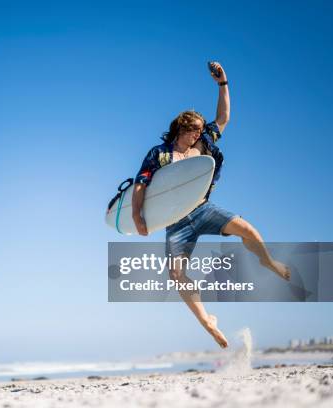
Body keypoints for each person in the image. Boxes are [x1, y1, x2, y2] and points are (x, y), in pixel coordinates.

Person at [131, 62, 291, 348]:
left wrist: (223, 84)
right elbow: (141, 183)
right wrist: (137, 216)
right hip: (176, 221)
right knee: (176, 274)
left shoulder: (203, 145)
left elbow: (224, 117)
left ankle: (267, 260)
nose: (200, 133)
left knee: (247, 229)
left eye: (200, 130)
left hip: (203, 209)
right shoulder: (160, 154)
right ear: (182, 128)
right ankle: (208, 322)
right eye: (195, 130)